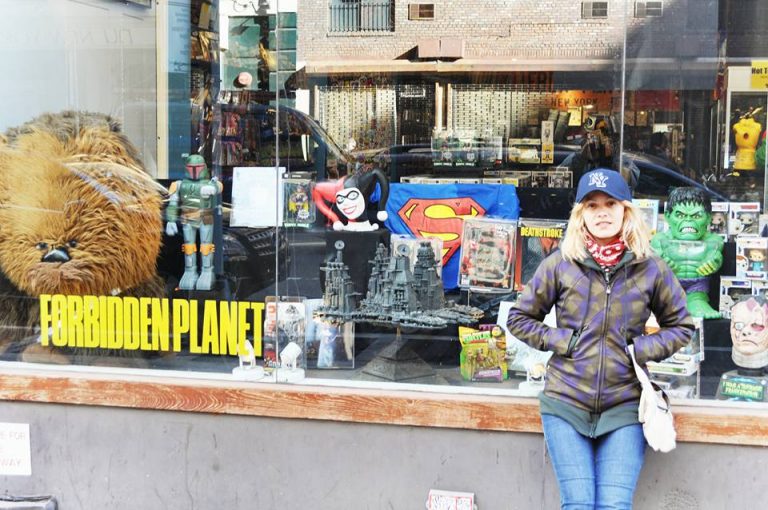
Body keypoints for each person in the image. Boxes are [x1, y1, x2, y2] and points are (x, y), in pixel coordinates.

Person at [507, 168, 694, 509]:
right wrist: (563, 341)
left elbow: (681, 326)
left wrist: (640, 349)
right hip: (566, 402)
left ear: (626, 210)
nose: (602, 212)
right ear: (581, 214)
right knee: (578, 503)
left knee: (613, 505)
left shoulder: (651, 267)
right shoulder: (560, 264)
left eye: (611, 203)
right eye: (592, 205)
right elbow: (519, 319)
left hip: (625, 405)